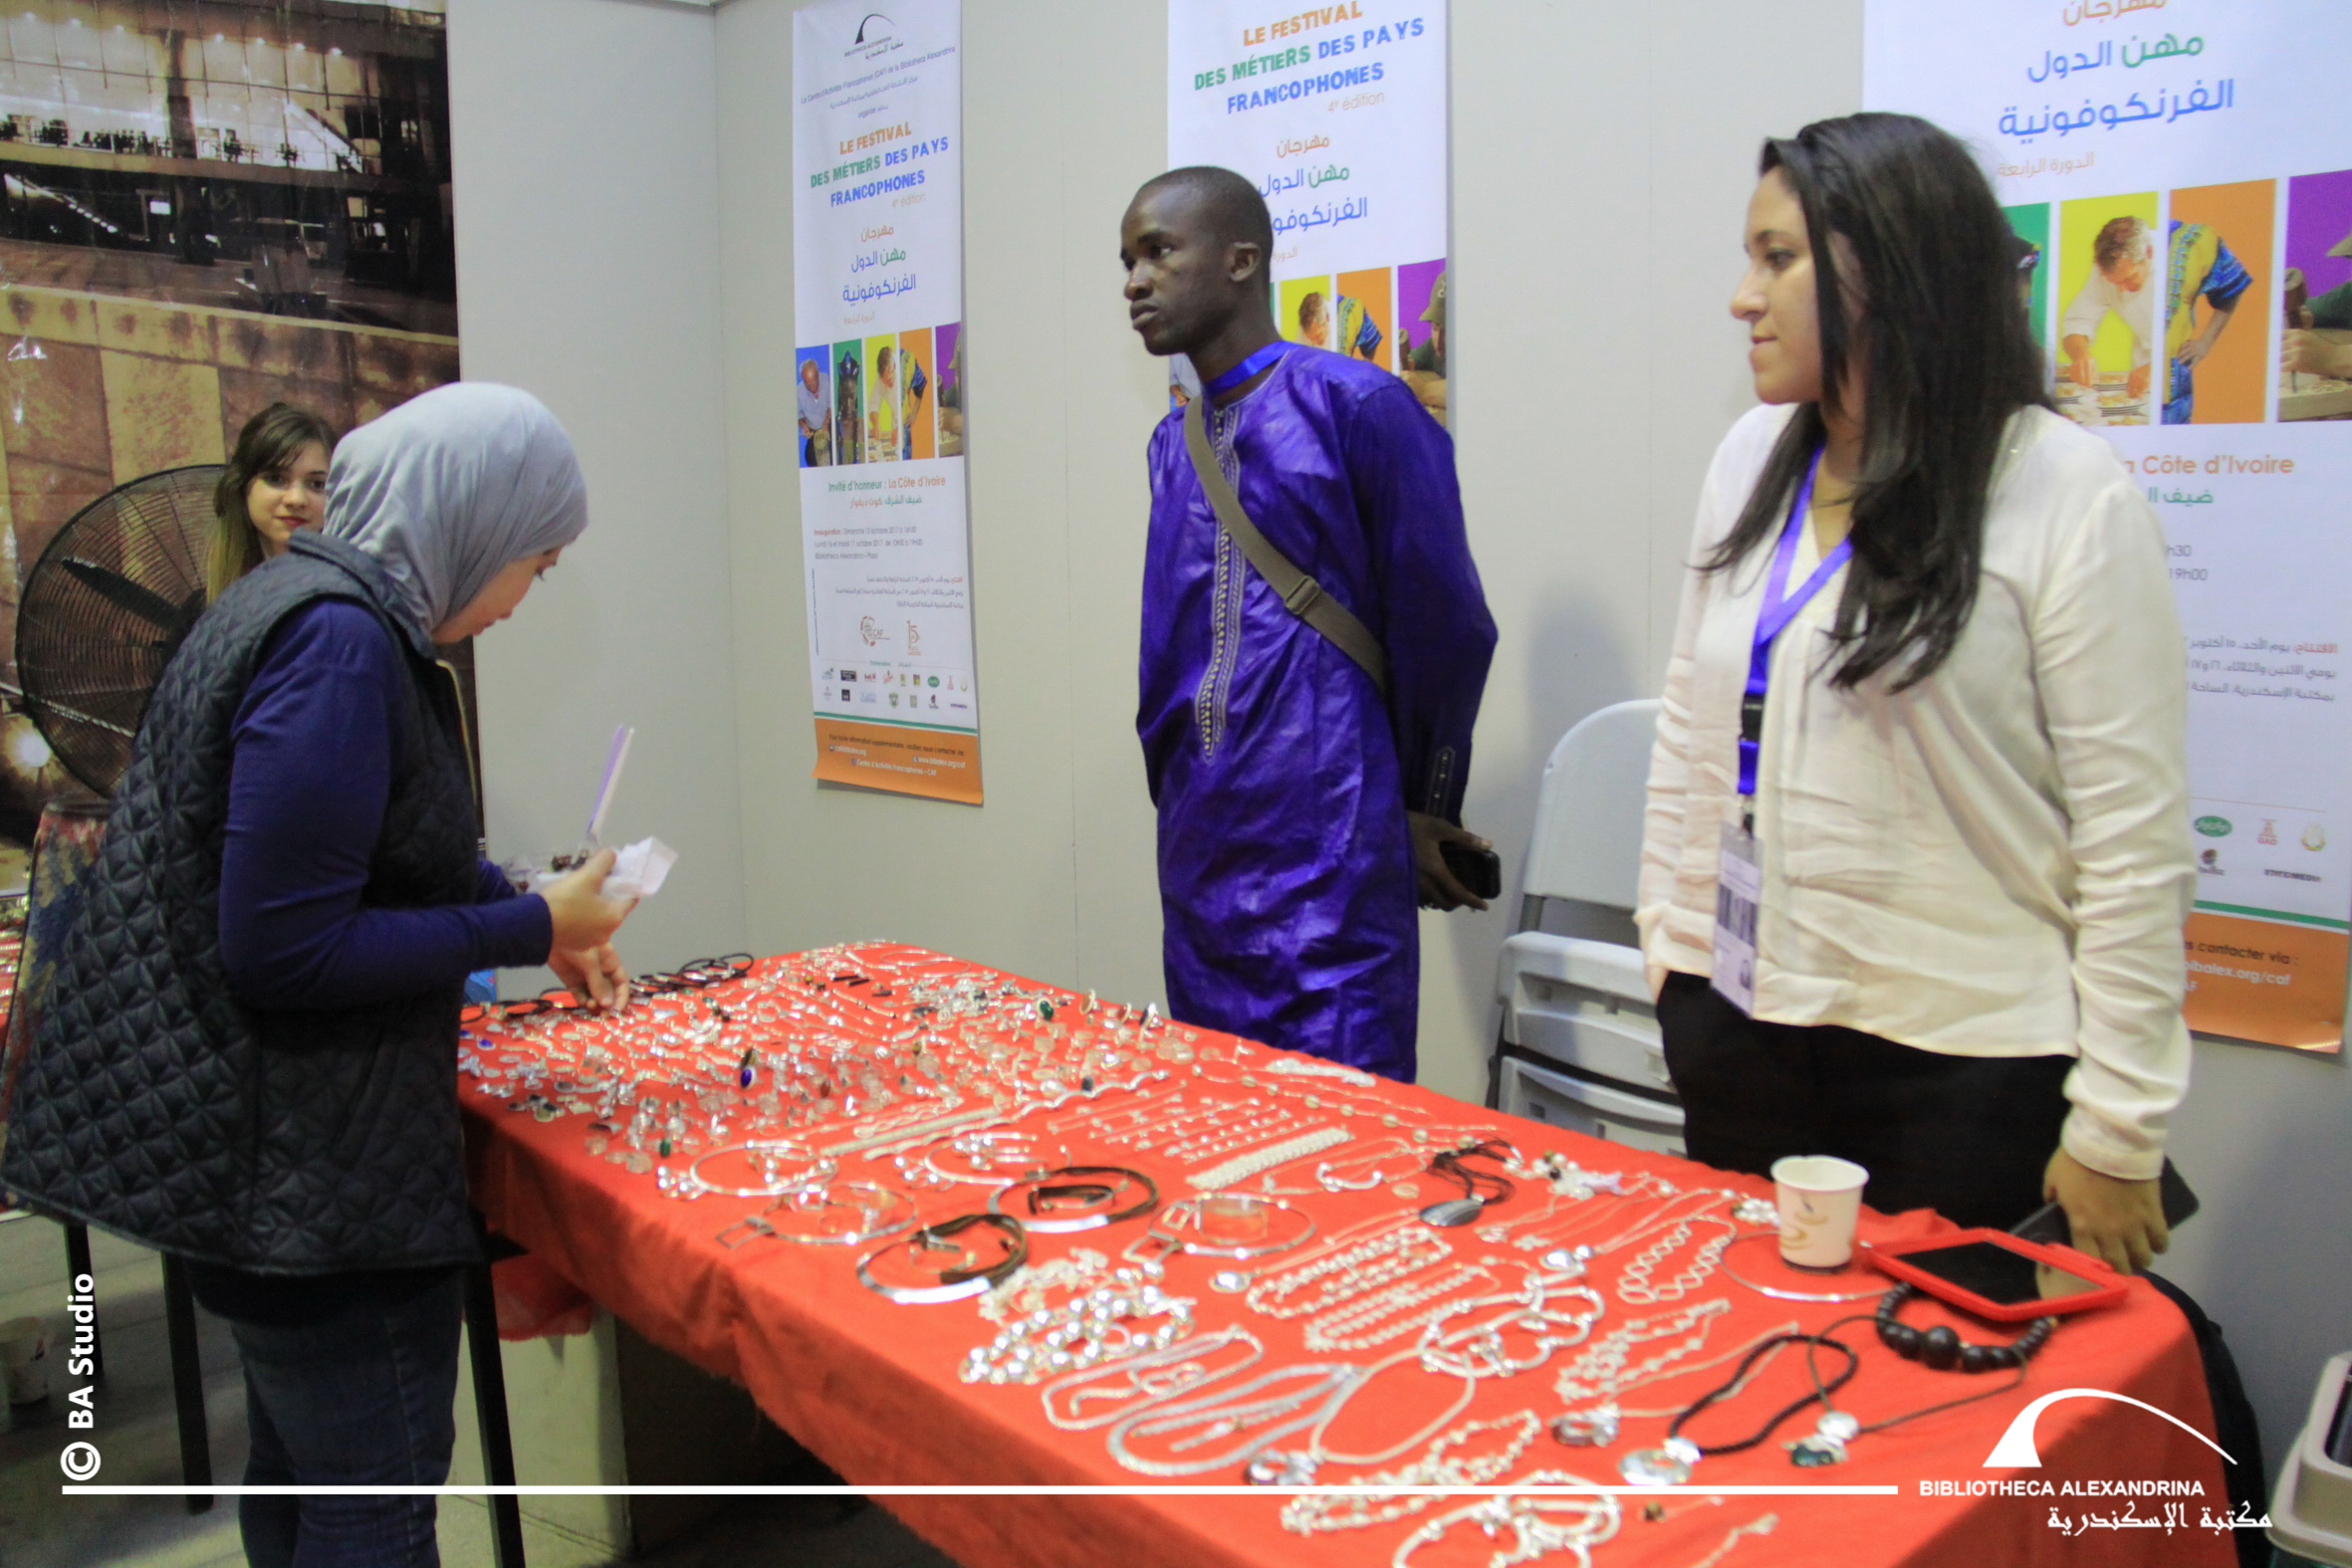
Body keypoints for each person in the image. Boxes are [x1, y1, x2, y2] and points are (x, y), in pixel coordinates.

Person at [0, 382, 638, 1565]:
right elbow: (284, 949)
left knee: (300, 1473)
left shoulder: (297, 604)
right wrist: (523, 924)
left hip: (265, 1169)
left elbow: (366, 855)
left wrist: (532, 919)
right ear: (472, 522)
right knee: (370, 1506)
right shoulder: (339, 642)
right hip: (300, 1177)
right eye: (535, 566)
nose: (520, 601)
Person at [1637, 112, 2191, 1273]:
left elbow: (2132, 839)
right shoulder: (1751, 457)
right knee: (1751, 1356)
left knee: (1939, 1378)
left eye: (1778, 259)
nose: (1742, 298)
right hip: (1743, 1026)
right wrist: (1672, 951)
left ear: (1890, 270)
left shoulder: (2060, 487)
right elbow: (1690, 725)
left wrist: (2118, 1125)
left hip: (1959, 1065)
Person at [1120, 166, 1497, 1081]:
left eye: (1158, 252)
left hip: (1332, 855)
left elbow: (1446, 622)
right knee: (1218, 1115)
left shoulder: (1358, 406)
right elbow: (1167, 656)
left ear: (1240, 259)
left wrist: (1420, 806)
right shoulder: (1171, 446)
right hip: (1201, 862)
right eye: (1127, 261)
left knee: (1346, 1119)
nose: (1134, 282)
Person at [206, 402, 336, 599]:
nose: (296, 499)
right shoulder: (204, 608)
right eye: (276, 479)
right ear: (242, 486)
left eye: (317, 484)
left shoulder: (347, 603)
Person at [2160, 218, 2251, 423]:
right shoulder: (2111, 236)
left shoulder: (2193, 239)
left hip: (2172, 390)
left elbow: (2231, 288)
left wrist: (2205, 342)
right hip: (2123, 385)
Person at [2059, 215, 2155, 399]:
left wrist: (2157, 368)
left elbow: (2193, 341)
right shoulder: (2105, 267)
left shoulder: (2177, 262)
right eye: (2114, 283)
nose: (2121, 290)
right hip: (2141, 371)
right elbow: (2078, 321)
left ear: (2148, 252)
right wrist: (2080, 354)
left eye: (2128, 279)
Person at [867, 345, 899, 463]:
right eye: (884, 381)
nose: (887, 384)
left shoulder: (906, 370)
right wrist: (876, 423)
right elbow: (874, 403)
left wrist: (900, 428)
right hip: (896, 423)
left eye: (889, 380)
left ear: (894, 367)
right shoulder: (882, 375)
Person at [797, 355, 830, 466]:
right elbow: (799, 416)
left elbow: (832, 405)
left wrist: (826, 423)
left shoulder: (827, 380)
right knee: (809, 457)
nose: (812, 388)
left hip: (829, 424)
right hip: (813, 431)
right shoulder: (799, 391)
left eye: (814, 383)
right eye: (808, 385)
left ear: (818, 374)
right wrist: (803, 426)